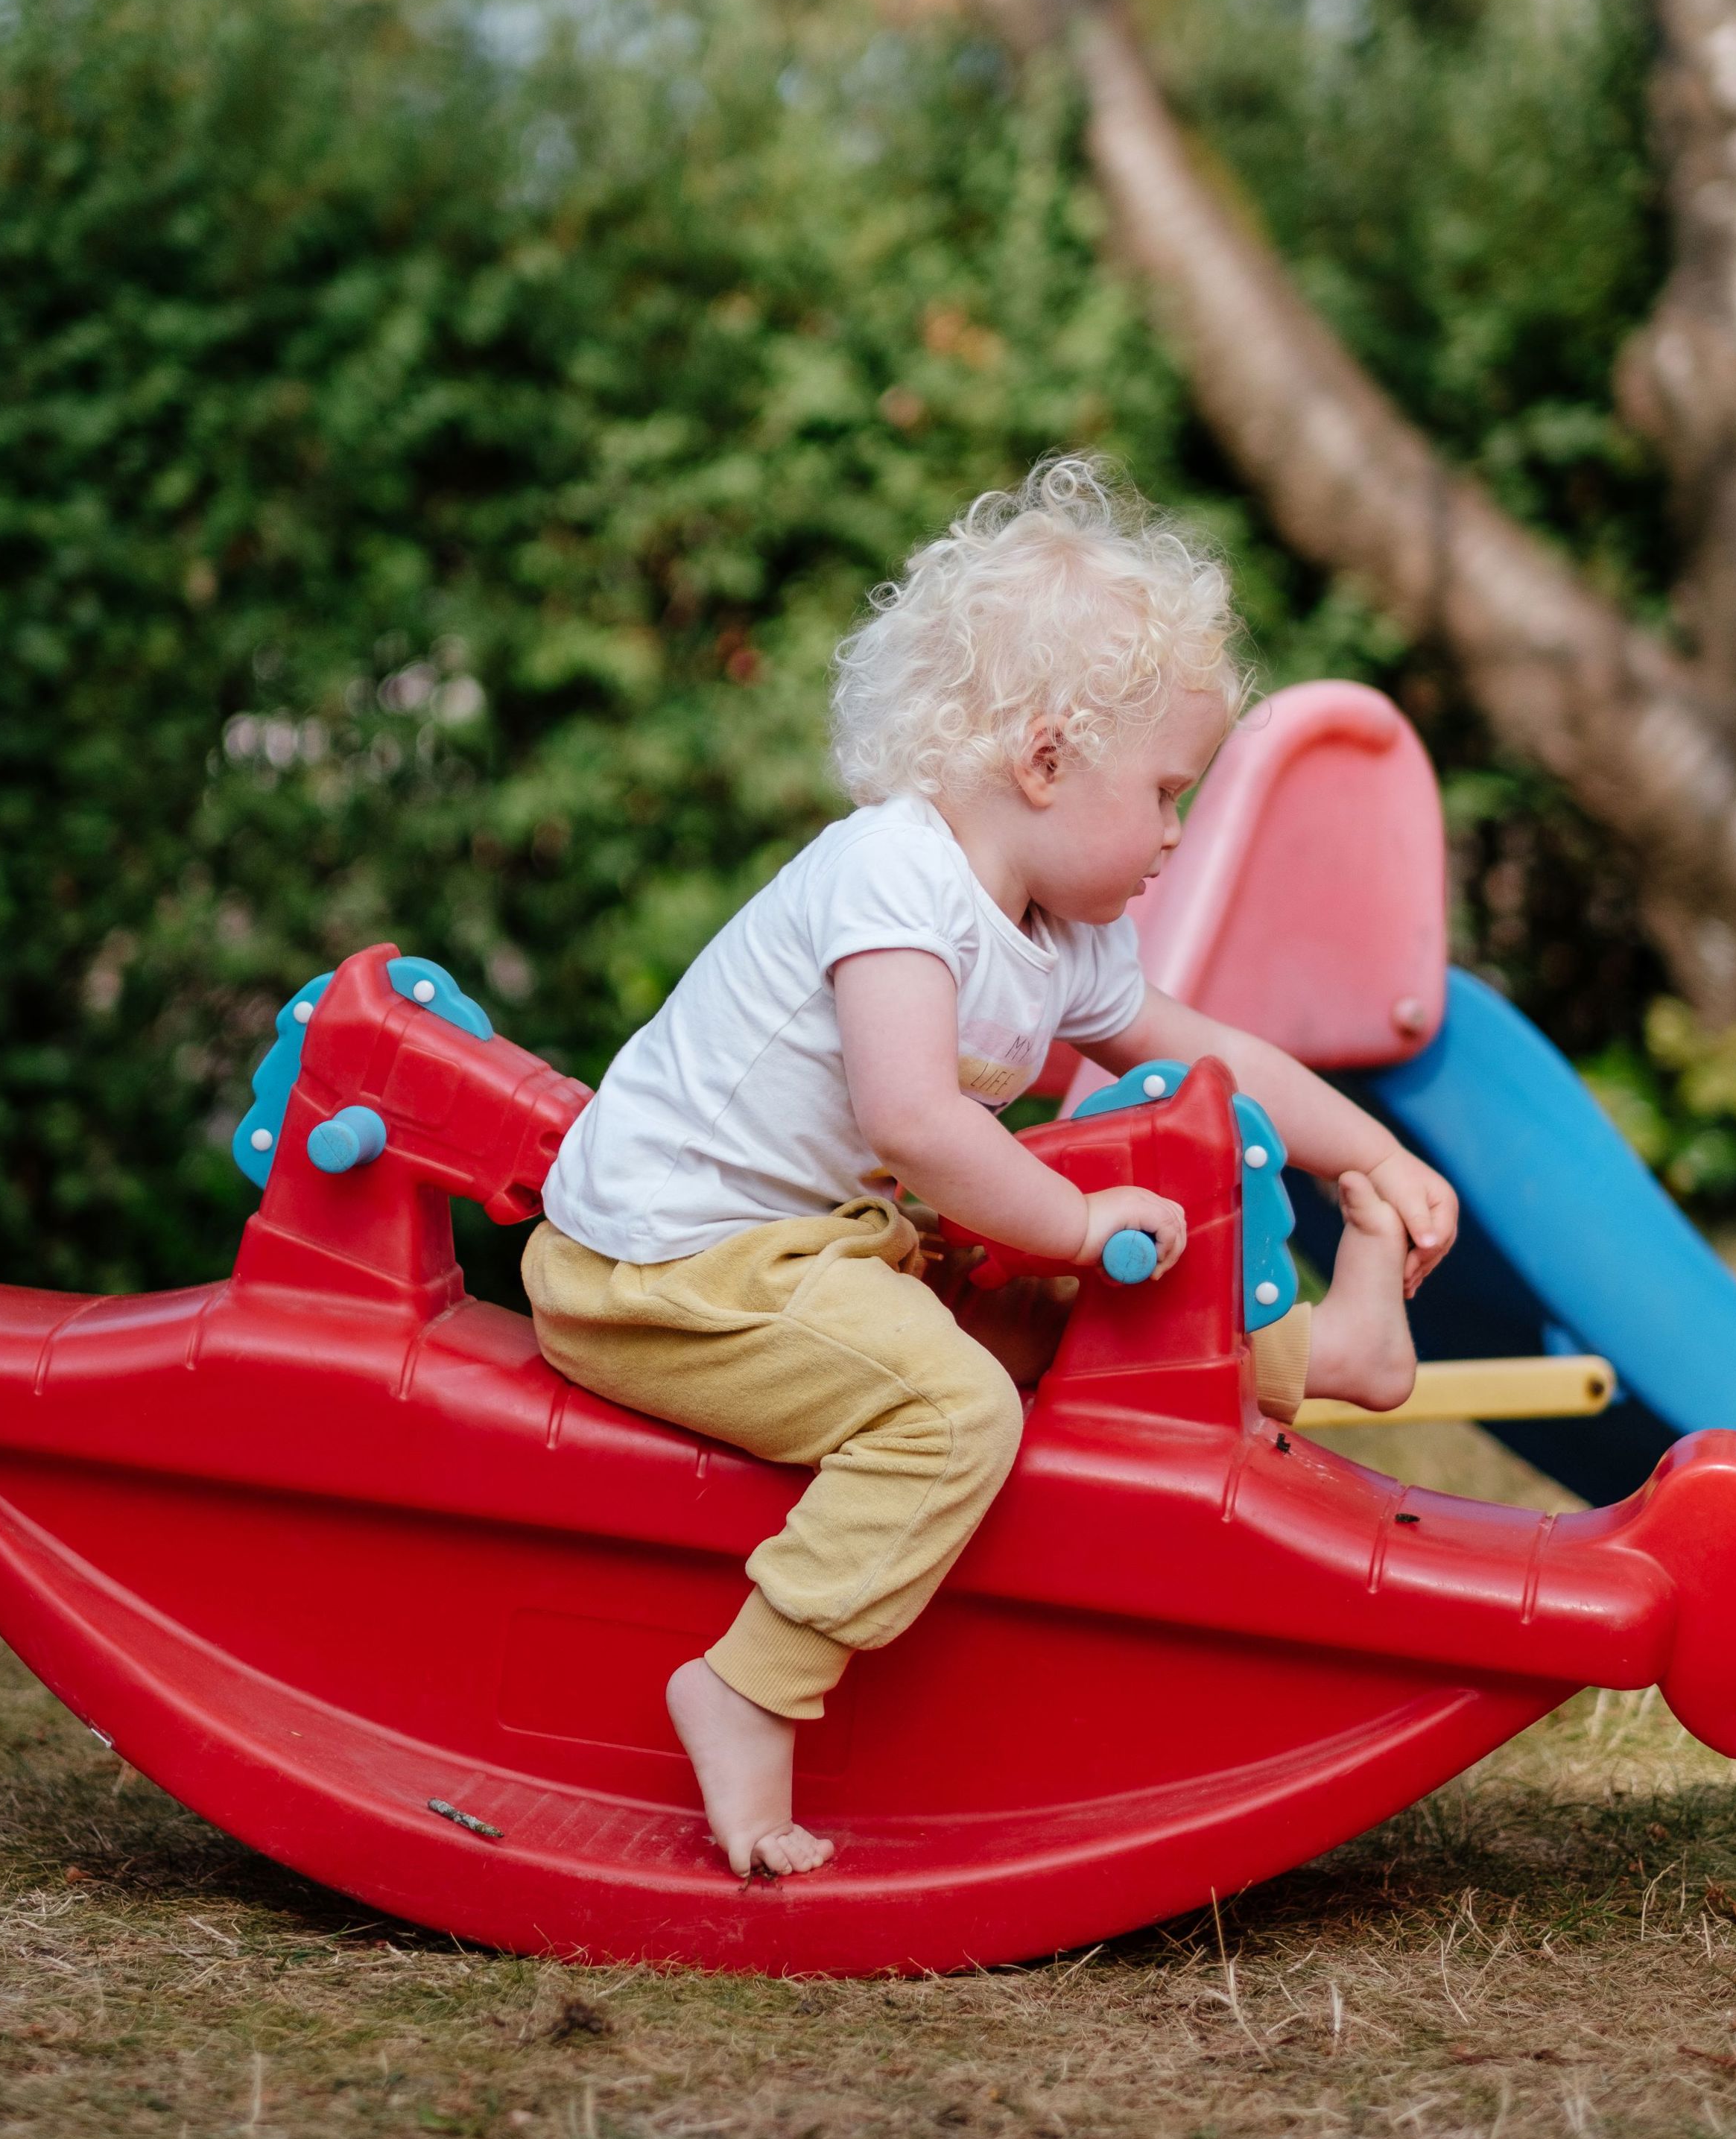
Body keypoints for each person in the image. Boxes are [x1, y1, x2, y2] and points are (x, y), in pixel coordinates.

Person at [522, 457, 1457, 1880]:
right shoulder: (891, 880)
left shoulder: (1058, 928)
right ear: (1044, 761)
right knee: (959, 1410)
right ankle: (750, 1681)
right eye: (1164, 794)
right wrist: (1078, 1221)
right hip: (663, 1264)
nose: (1174, 835)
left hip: (810, 1248)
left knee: (1049, 1324)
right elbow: (914, 1120)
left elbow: (1200, 1052)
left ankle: (1331, 1350)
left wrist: (1369, 1152)